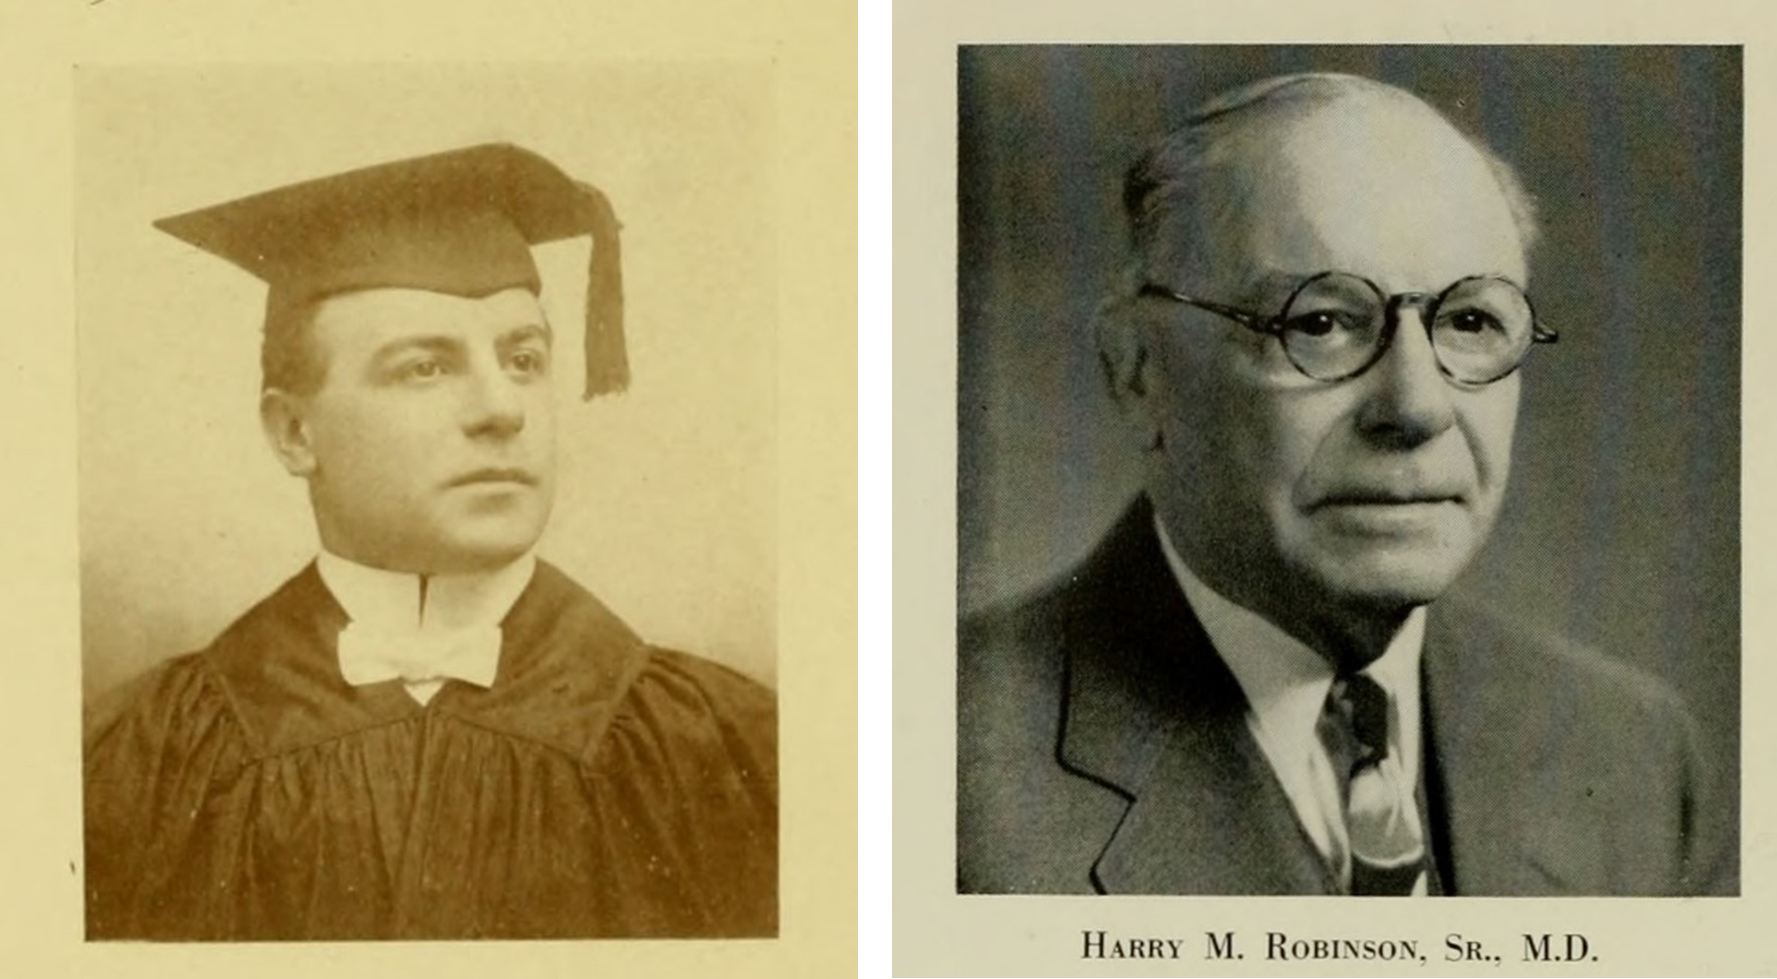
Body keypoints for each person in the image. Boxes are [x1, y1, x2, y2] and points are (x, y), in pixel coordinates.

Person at [956, 73, 1731, 896]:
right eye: (1317, 322)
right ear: (1140, 373)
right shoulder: (926, 761)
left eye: (1469, 321)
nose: (1415, 406)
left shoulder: (1630, 753)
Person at [82, 143, 778, 938]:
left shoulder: (718, 743)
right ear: (294, 431)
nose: (501, 408)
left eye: (523, 359)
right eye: (425, 368)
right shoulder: (145, 756)